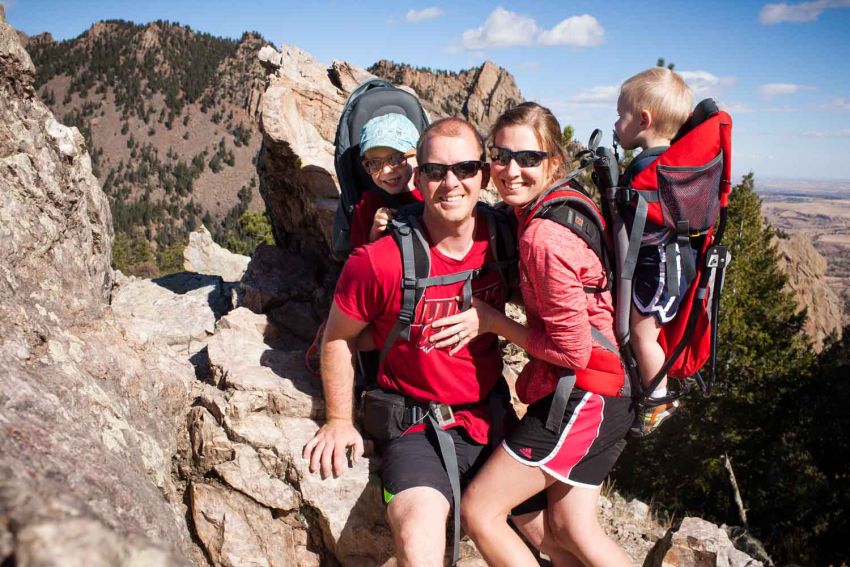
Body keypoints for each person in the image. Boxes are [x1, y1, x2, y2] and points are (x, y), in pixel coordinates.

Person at [430, 102, 633, 566]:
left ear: (554, 162)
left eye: (528, 159)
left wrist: (494, 322)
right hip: (607, 389)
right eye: (500, 157)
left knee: (482, 510)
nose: (511, 170)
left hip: (585, 393)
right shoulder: (568, 202)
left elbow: (571, 350)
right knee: (568, 531)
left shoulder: (543, 236)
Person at [302, 117, 510, 566]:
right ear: (419, 178)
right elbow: (337, 338)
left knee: (551, 532)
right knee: (418, 536)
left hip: (492, 417)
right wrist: (339, 419)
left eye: (465, 168)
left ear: (485, 175)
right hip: (415, 427)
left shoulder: (506, 242)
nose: (450, 183)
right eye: (436, 171)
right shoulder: (379, 261)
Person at [614, 67, 694, 436]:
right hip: (672, 264)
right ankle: (656, 385)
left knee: (643, 334)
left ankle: (659, 399)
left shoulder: (649, 168)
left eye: (622, 116)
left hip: (657, 269)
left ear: (644, 120)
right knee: (649, 332)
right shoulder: (673, 164)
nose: (617, 124)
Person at [349, 113, 423, 249]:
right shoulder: (368, 203)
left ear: (418, 156)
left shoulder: (431, 192)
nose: (385, 171)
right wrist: (375, 230)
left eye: (396, 159)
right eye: (374, 163)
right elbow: (359, 249)